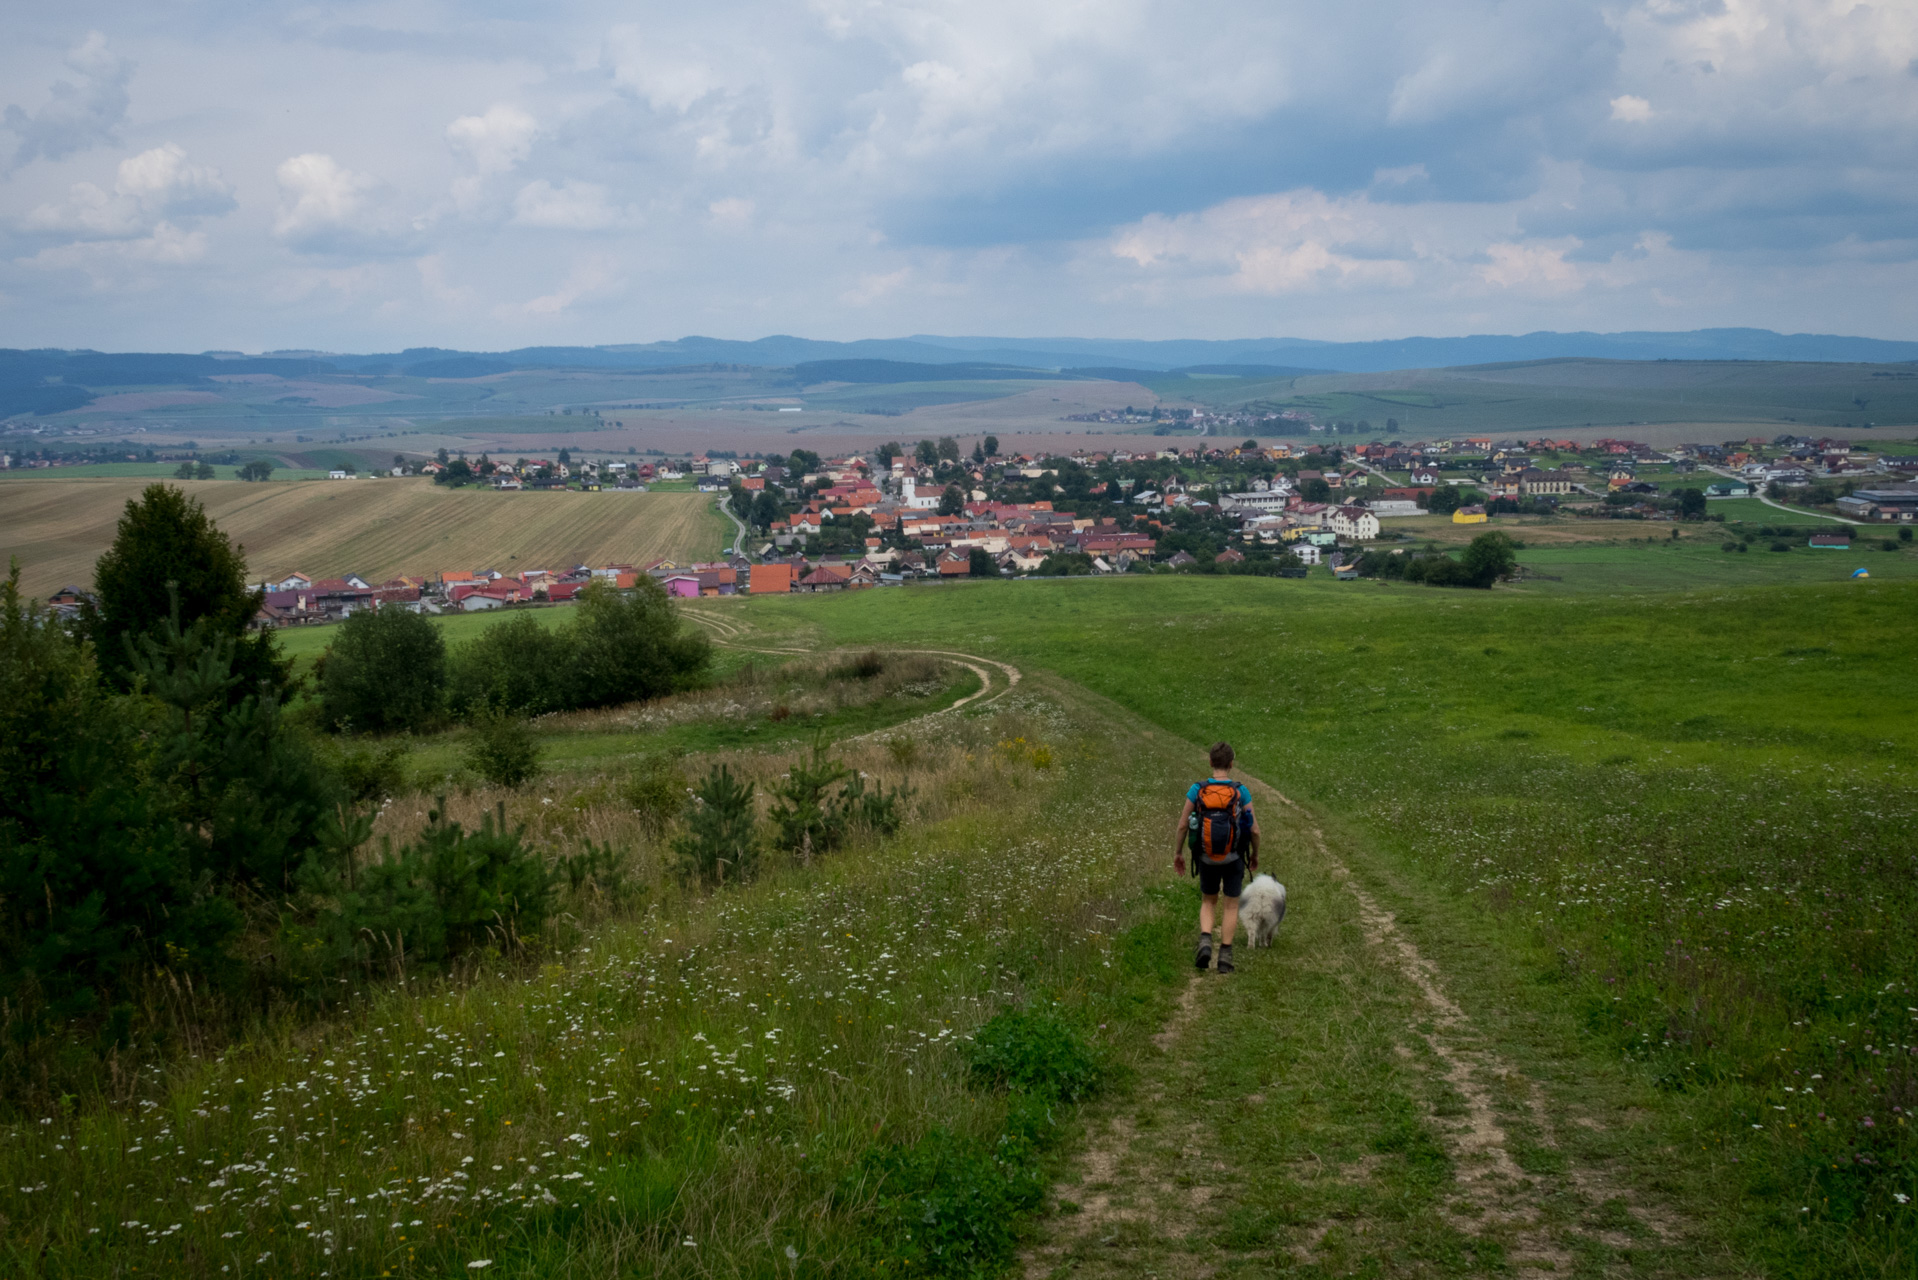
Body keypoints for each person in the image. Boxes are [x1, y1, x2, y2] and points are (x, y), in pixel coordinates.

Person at [1172, 741, 1259, 973]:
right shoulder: (1241, 791)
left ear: (1210, 762)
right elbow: (1255, 830)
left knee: (1208, 900)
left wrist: (1178, 853)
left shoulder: (1197, 790)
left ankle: (1205, 941)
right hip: (1233, 858)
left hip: (1206, 857)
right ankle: (1225, 957)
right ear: (1231, 764)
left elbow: (1182, 825)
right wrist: (1254, 855)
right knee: (1231, 906)